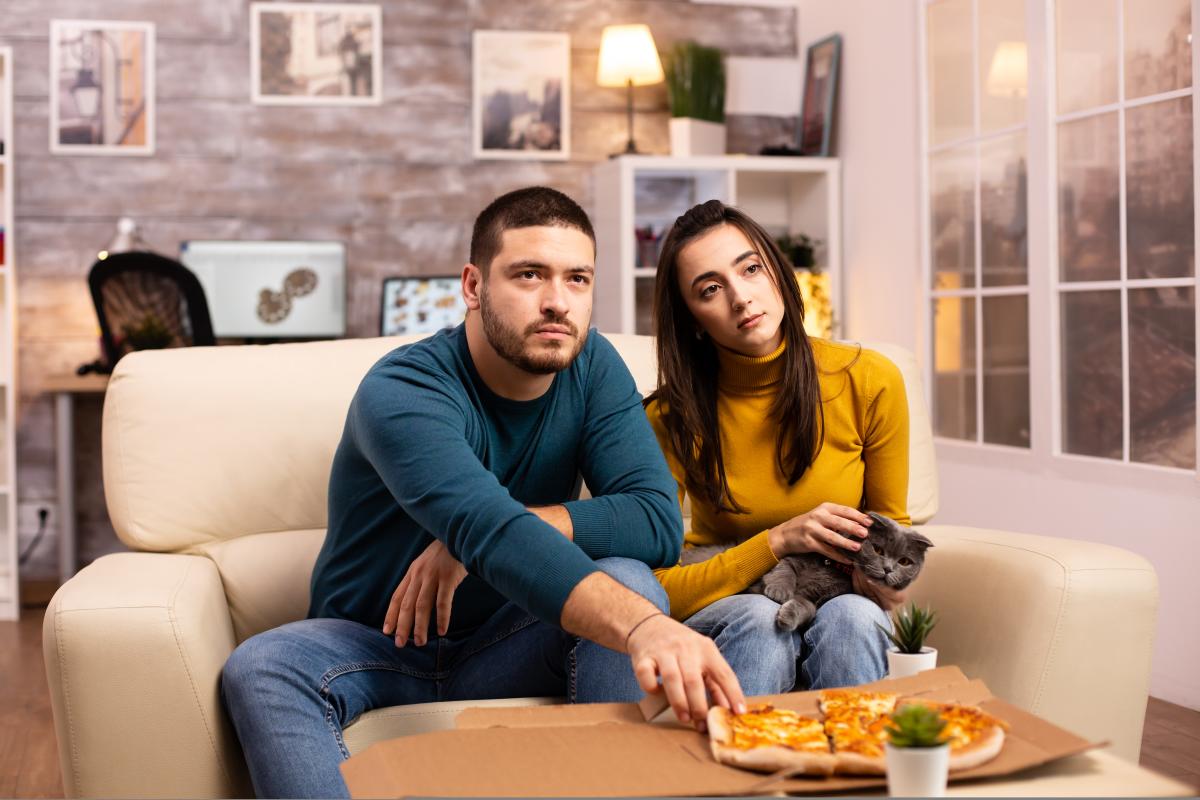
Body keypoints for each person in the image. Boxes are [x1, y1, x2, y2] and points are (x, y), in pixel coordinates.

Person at [220, 187, 745, 799]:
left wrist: (511, 530)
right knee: (262, 667)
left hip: (506, 638)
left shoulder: (593, 366)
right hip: (376, 646)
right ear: (472, 287)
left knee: (630, 578)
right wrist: (642, 629)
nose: (557, 302)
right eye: (529, 275)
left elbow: (656, 521)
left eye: (577, 279)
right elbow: (486, 526)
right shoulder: (404, 390)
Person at [645, 199, 912, 697]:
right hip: (736, 605)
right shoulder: (668, 418)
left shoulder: (869, 380)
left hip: (838, 597)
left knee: (855, 617)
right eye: (710, 289)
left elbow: (893, 550)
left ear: (777, 271)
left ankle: (853, 768)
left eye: (750, 269)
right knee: (760, 619)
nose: (742, 298)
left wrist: (878, 579)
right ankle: (738, 769)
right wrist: (777, 542)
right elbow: (653, 588)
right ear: (693, 318)